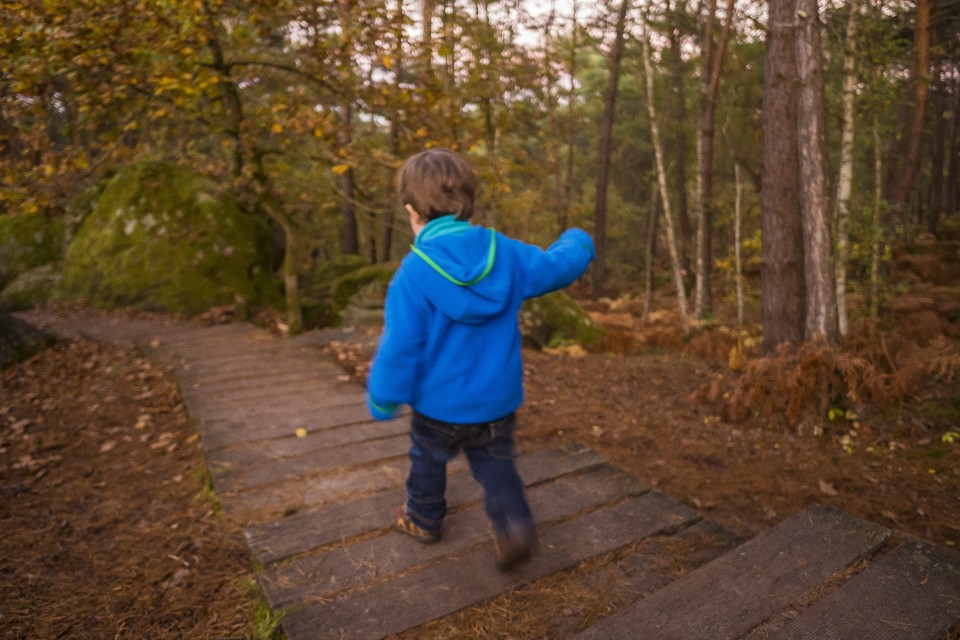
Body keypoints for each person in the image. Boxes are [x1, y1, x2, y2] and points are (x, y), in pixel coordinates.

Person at [366, 148, 595, 571]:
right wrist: (578, 243)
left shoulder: (412, 274)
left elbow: (400, 347)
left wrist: (383, 397)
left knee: (426, 462)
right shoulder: (503, 253)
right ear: (465, 203)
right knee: (496, 467)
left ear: (412, 212)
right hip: (496, 403)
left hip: (437, 408)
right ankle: (514, 525)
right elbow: (555, 267)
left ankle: (423, 518)